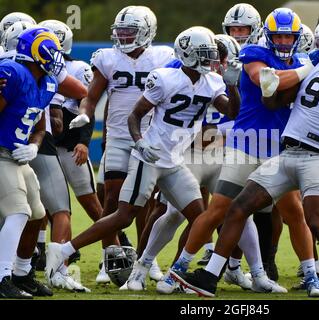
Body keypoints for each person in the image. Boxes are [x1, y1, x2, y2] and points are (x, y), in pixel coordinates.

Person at [172, 43, 319, 300]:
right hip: (287, 154)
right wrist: (268, 91)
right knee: (237, 208)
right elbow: (275, 104)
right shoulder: (313, 72)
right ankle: (209, 277)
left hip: (318, 159)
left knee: (317, 223)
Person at [45, 26, 240, 292]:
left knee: (201, 218)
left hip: (174, 161)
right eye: (205, 54)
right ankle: (62, 250)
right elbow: (134, 116)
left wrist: (233, 84)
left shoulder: (213, 82)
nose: (211, 60)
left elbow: (231, 111)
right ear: (189, 54)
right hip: (149, 155)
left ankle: (162, 274)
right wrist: (140, 142)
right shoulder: (164, 78)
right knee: (125, 215)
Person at [67, 6, 173, 283]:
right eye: (121, 32)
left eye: (130, 32)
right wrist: (84, 113)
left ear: (147, 32)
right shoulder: (108, 58)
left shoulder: (163, 57)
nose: (124, 37)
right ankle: (110, 258)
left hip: (151, 138)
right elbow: (91, 96)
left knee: (145, 202)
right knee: (112, 198)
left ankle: (145, 259)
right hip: (117, 136)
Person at [0, 27, 63, 299]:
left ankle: (22, 273)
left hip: (19, 156)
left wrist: (34, 147)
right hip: (1, 154)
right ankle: (1, 277)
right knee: (19, 212)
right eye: (53, 50)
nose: (57, 57)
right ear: (37, 50)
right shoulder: (12, 74)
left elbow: (39, 126)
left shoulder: (47, 83)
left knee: (38, 215)